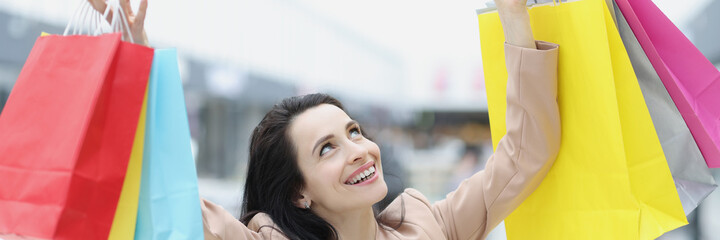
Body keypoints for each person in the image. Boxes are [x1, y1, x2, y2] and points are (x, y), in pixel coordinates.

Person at [90, 0, 560, 239]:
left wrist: (515, 18)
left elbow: (526, 153)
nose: (359, 149)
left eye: (353, 131)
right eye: (327, 148)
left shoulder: (429, 226)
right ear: (298, 190)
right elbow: (176, 206)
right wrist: (139, 63)